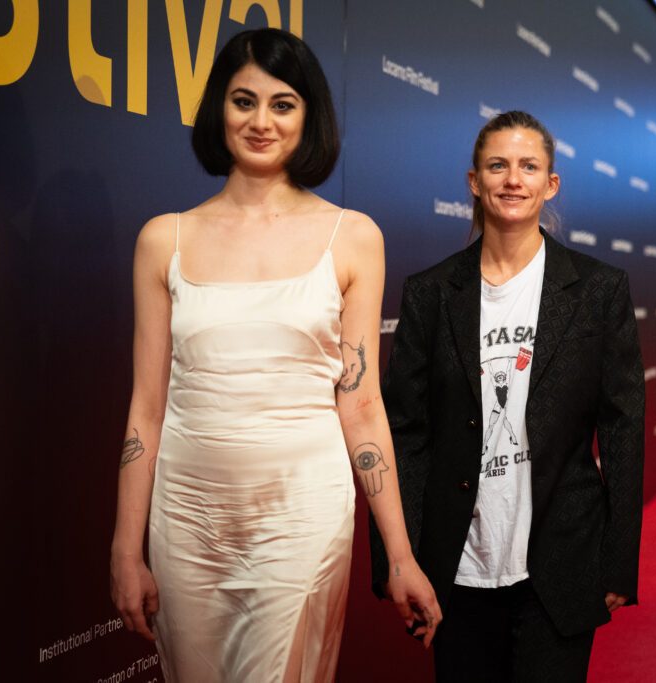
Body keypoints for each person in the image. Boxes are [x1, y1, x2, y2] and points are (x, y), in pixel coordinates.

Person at [109, 28, 440, 682]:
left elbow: (364, 405)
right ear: (218, 111)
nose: (262, 121)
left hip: (303, 514)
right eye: (244, 100)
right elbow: (147, 407)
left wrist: (399, 554)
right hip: (187, 519)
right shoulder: (162, 240)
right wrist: (126, 545)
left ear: (308, 115)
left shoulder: (352, 238)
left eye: (283, 104)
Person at [370, 111, 645, 681]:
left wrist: (620, 561)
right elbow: (405, 436)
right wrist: (397, 560)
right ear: (475, 180)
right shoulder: (430, 294)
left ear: (551, 184)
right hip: (459, 567)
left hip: (560, 563)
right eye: (498, 166)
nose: (512, 179)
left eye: (528, 166)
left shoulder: (598, 290)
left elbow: (623, 429)